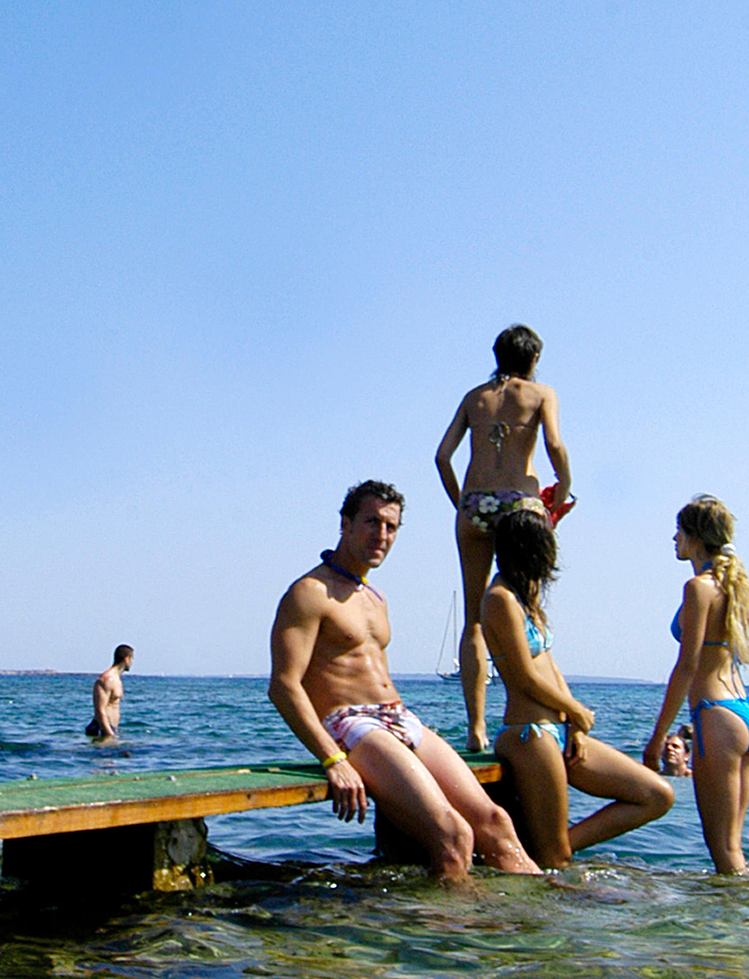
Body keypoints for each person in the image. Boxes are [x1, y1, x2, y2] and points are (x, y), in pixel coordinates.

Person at [268, 481, 540, 882]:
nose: (381, 535)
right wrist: (333, 759)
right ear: (344, 524)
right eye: (371, 522)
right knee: (453, 836)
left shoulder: (375, 597)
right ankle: (451, 937)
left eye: (391, 527)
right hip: (351, 724)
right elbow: (284, 686)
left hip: (399, 717)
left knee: (497, 824)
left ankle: (536, 928)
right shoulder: (310, 593)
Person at [482, 510, 672, 867]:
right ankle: (549, 858)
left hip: (559, 728)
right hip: (529, 734)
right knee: (557, 858)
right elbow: (524, 676)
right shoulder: (500, 599)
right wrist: (579, 711)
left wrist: (573, 721)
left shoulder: (526, 598)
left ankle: (542, 853)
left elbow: (550, 667)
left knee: (655, 794)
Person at [435, 325, 572, 753]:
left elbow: (442, 456)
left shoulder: (474, 397)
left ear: (496, 355)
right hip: (521, 503)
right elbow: (553, 444)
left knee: (474, 617)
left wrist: (463, 502)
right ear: (533, 360)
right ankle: (532, 709)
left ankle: (475, 727)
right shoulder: (542, 393)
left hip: (475, 503)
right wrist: (562, 490)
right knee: (527, 610)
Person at [643, 496, 749, 874]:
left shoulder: (698, 588)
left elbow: (687, 666)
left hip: (716, 715)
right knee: (733, 847)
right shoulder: (745, 590)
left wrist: (659, 735)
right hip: (747, 714)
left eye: (679, 531)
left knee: (723, 852)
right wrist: (734, 652)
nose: (674, 538)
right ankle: (738, 920)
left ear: (695, 538)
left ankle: (733, 930)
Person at [86, 645, 134, 739]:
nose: (132, 663)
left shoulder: (117, 679)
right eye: (132, 659)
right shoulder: (106, 679)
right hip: (102, 728)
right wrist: (109, 734)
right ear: (126, 659)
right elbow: (100, 710)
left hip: (111, 728)